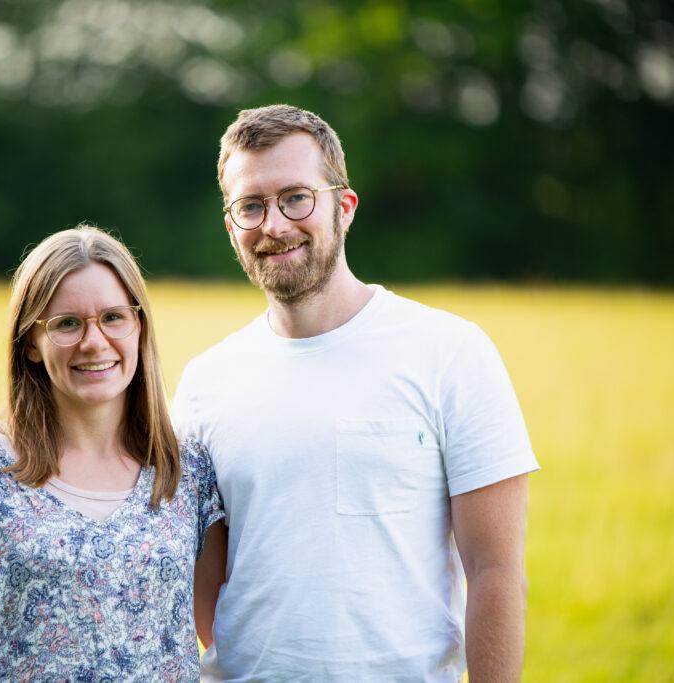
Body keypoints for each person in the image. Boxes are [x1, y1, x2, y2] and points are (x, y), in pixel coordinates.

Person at [172, 105, 540, 682]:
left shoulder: (450, 352)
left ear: (343, 208)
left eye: (296, 197)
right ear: (231, 226)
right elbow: (203, 573)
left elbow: (495, 571)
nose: (274, 225)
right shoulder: (204, 382)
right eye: (251, 206)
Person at [0, 225, 224, 681]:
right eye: (67, 324)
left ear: (139, 327)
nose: (94, 342)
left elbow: (222, 636)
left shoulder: (185, 472)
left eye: (114, 317)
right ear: (31, 343)